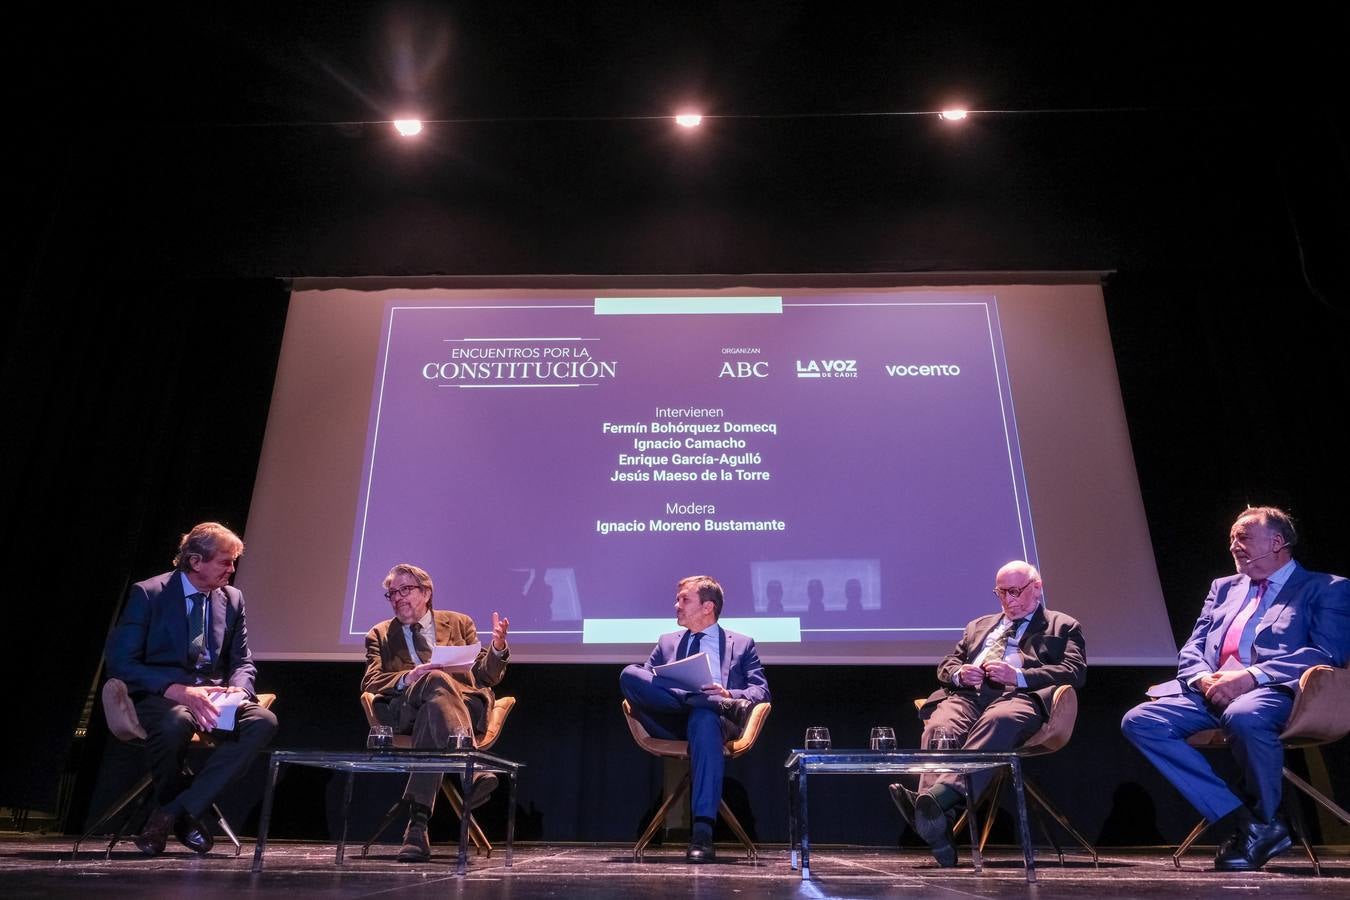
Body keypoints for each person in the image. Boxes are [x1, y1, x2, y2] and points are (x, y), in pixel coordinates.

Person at [1122, 506, 1350, 871]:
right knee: (1141, 720)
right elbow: (1194, 646)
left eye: (1243, 537)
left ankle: (1259, 822)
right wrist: (1200, 678)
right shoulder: (1223, 588)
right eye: (1231, 538)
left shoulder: (1325, 588)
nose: (1234, 546)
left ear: (1277, 542)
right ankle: (1249, 820)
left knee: (1244, 714)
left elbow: (1327, 652)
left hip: (1283, 693)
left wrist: (1251, 676)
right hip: (1212, 691)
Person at [889, 560, 1086, 867]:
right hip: (969, 697)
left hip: (1018, 697)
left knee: (999, 721)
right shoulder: (978, 626)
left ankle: (936, 802)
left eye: (1015, 591)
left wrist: (1018, 676)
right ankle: (937, 818)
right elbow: (946, 665)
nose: (1009, 600)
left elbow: (1073, 672)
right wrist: (959, 674)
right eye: (1002, 593)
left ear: (1037, 587)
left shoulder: (1063, 625)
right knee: (938, 727)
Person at [105, 522, 278, 856]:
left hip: (214, 695)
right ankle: (181, 814)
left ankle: (171, 813)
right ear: (196, 561)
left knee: (263, 722)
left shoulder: (232, 598)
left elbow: (242, 661)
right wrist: (175, 690)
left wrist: (239, 691)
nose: (232, 570)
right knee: (176, 723)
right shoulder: (149, 593)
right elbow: (122, 662)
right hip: (163, 694)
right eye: (225, 562)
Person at [360, 563, 511, 863]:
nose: (398, 598)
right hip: (407, 709)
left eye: (405, 590)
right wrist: (408, 677)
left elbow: (485, 677)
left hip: (460, 707)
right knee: (433, 679)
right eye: (392, 593)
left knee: (437, 698)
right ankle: (472, 768)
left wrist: (497, 647)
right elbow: (371, 680)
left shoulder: (459, 623)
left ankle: (416, 827)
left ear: (426, 593)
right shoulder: (379, 634)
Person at [620, 575, 770, 863]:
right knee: (629, 674)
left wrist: (729, 691)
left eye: (684, 600)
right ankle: (712, 703)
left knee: (702, 716)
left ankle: (702, 833)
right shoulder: (666, 642)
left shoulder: (741, 644)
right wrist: (718, 701)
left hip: (712, 725)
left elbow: (761, 690)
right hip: (670, 720)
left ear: (707, 607)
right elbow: (645, 685)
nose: (676, 605)